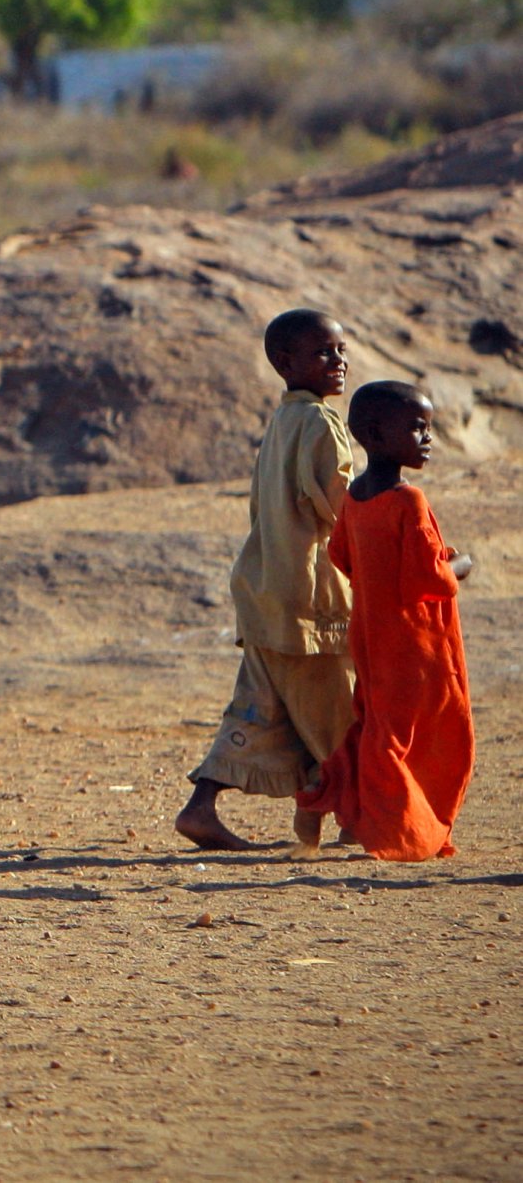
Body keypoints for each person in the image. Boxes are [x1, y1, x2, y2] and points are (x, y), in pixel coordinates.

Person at [175, 308, 356, 853]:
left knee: (259, 711)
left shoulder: (283, 421)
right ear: (284, 362)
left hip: (262, 593)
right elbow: (342, 510)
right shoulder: (321, 425)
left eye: (341, 351)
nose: (339, 362)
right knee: (338, 718)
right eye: (324, 352)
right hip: (309, 603)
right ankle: (357, 814)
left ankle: (200, 808)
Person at [295, 382, 474, 861]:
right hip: (415, 644)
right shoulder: (407, 500)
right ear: (375, 434)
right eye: (417, 428)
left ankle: (333, 797)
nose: (427, 438)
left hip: (371, 637)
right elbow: (428, 578)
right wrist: (460, 564)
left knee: (376, 725)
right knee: (416, 735)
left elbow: (342, 555)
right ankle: (394, 828)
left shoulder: (354, 498)